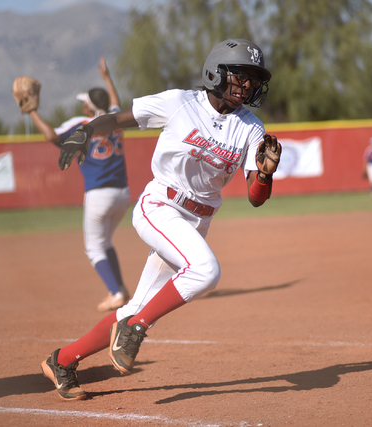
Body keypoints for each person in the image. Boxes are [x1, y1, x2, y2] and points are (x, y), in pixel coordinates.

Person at [40, 38, 282, 401]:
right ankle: (136, 328)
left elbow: (255, 198)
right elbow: (121, 118)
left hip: (197, 222)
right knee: (206, 271)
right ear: (216, 72)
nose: (247, 85)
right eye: (241, 75)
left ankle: (62, 360)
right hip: (159, 206)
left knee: (136, 305)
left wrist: (264, 175)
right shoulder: (180, 102)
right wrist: (85, 132)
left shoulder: (251, 128)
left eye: (253, 79)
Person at [28, 57, 131, 312]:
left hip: (99, 194)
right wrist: (107, 77)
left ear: (90, 108)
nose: (82, 105)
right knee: (105, 243)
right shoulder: (115, 117)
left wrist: (32, 111)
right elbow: (114, 101)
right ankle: (120, 289)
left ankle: (116, 292)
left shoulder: (82, 124)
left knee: (93, 248)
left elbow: (52, 136)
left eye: (85, 102)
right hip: (123, 194)